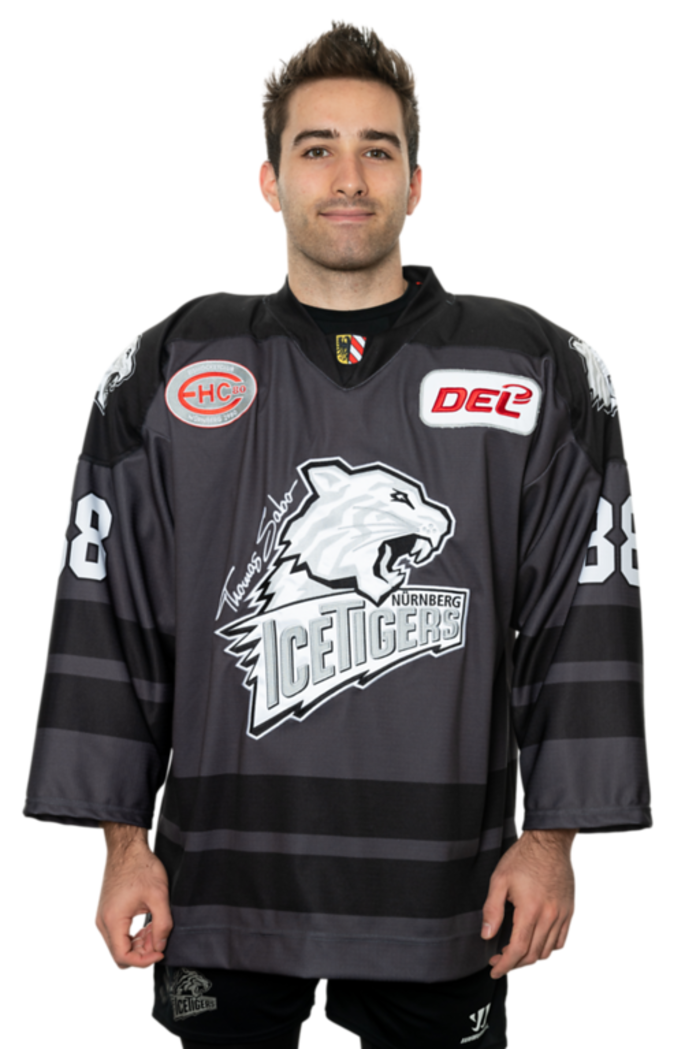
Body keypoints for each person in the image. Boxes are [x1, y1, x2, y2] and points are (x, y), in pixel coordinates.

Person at [20, 16, 653, 1049]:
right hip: (216, 883)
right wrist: (121, 844)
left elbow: (581, 615)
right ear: (268, 180)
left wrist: (552, 841)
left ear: (416, 183)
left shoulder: (538, 366)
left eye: (377, 150)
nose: (348, 177)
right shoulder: (168, 365)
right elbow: (108, 612)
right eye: (316, 149)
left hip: (447, 891)